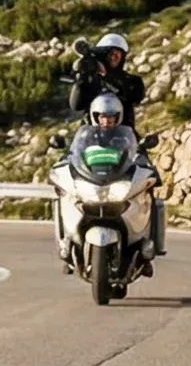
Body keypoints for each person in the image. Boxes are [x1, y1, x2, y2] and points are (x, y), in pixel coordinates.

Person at [70, 33, 163, 255]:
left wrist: (105, 77)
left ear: (123, 57)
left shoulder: (131, 81)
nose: (113, 57)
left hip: (125, 140)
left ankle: (149, 244)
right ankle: (69, 239)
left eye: (117, 53)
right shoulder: (92, 80)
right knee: (66, 178)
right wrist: (83, 76)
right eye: (109, 53)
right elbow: (75, 104)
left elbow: (134, 94)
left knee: (150, 182)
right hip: (90, 140)